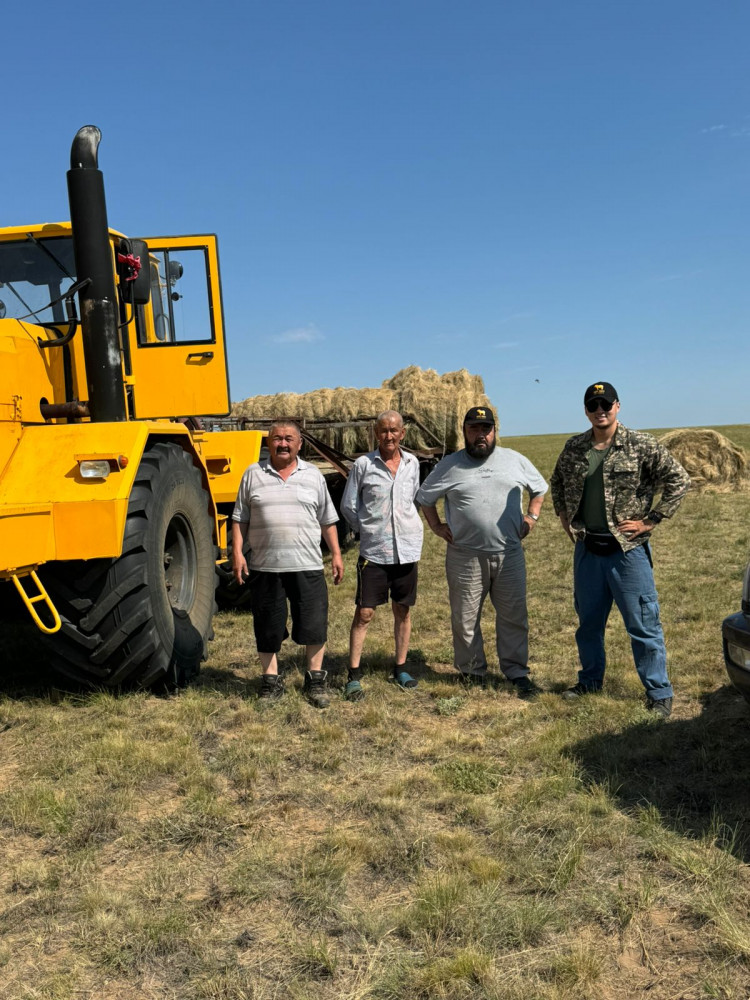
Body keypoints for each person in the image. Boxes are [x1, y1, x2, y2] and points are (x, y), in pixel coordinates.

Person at [550, 381, 690, 718]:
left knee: (643, 625)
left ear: (618, 406)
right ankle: (589, 681)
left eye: (606, 405)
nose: (600, 411)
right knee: (588, 624)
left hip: (627, 552)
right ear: (586, 410)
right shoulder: (575, 447)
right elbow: (556, 482)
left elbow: (679, 480)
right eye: (594, 405)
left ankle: (658, 692)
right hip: (588, 551)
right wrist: (564, 515)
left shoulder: (640, 445)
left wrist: (651, 520)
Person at [416, 406, 547, 696]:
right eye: (474, 429)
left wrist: (532, 517)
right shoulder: (449, 465)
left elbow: (539, 489)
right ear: (464, 432)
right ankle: (472, 671)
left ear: (494, 432)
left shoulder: (514, 460)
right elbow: (425, 497)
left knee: (514, 615)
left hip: (509, 553)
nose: (480, 435)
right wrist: (436, 525)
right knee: (465, 617)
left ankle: (516, 671)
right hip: (465, 555)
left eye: (486, 429)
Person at [232, 420, 344, 707]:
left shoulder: (314, 475)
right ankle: (271, 681)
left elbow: (327, 520)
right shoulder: (253, 474)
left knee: (314, 623)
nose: (283, 443)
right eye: (277, 438)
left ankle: (316, 680)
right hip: (266, 566)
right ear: (268, 442)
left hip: (307, 563)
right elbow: (240, 518)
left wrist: (337, 554)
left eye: (289, 438)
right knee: (267, 625)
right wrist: (237, 552)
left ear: (299, 443)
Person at [340, 410, 424, 700]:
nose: (389, 435)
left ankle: (400, 667)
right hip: (374, 552)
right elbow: (349, 505)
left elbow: (415, 498)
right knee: (364, 613)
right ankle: (353, 674)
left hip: (407, 549)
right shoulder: (363, 465)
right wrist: (366, 530)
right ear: (376, 435)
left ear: (402, 434)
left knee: (402, 609)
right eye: (383, 431)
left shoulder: (413, 463)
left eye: (394, 430)